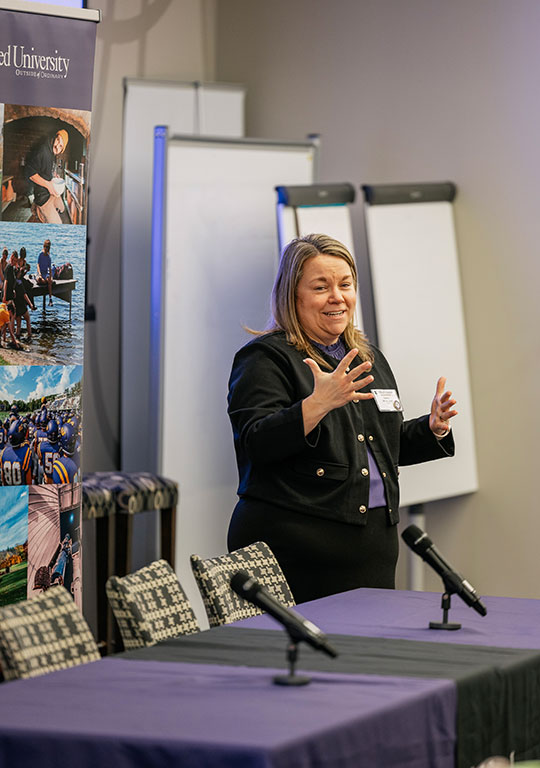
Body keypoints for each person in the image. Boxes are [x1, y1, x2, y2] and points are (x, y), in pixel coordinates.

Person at [227, 233, 457, 604]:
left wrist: (431, 429)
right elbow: (256, 442)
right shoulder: (265, 359)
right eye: (321, 286)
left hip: (372, 550)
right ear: (292, 295)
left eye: (345, 285)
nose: (337, 297)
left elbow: (376, 445)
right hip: (298, 551)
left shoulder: (366, 355)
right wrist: (316, 404)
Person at [25, 129, 69, 225]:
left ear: (62, 149)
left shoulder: (52, 152)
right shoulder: (43, 151)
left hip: (49, 191)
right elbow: (30, 174)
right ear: (55, 138)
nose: (57, 146)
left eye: (61, 146)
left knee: (62, 209)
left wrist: (53, 175)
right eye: (58, 140)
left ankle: (38, 207)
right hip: (42, 195)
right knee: (58, 224)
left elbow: (45, 169)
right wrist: (49, 185)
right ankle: (38, 207)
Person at [37, 239, 54, 305]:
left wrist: (50, 276)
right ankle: (45, 281)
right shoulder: (40, 254)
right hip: (41, 273)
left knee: (49, 281)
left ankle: (50, 299)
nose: (46, 248)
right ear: (44, 246)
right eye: (46, 247)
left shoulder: (48, 257)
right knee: (40, 280)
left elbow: (49, 268)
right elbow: (38, 265)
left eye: (48, 247)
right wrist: (39, 274)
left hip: (45, 273)